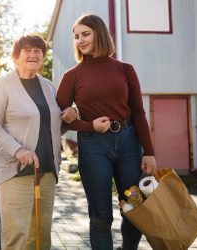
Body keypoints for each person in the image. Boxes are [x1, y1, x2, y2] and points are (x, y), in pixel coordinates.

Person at [57, 14, 157, 250]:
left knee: (134, 209)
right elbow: (60, 118)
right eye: (76, 36)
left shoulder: (125, 70)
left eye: (85, 34)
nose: (80, 40)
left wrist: (149, 151)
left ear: (99, 33)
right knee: (101, 216)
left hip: (129, 143)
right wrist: (88, 126)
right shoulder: (71, 76)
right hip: (93, 146)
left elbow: (139, 113)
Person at [0, 34, 77, 249]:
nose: (33, 54)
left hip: (46, 172)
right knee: (17, 236)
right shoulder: (3, 84)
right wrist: (18, 150)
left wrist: (68, 118)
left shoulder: (49, 87)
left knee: (41, 237)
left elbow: (52, 127)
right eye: (27, 50)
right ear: (16, 56)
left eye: (38, 51)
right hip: (16, 171)